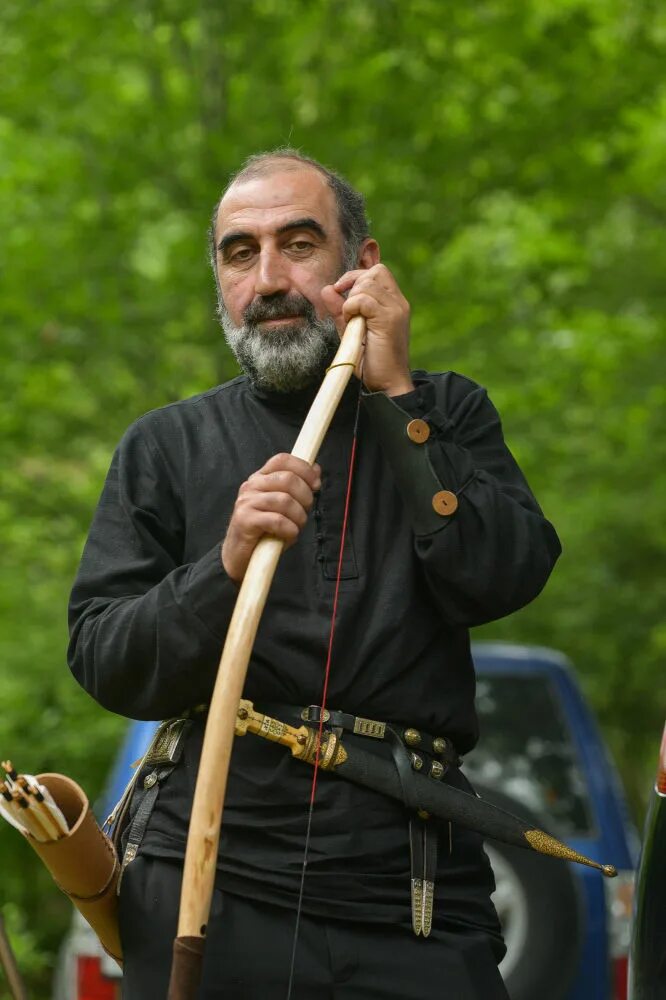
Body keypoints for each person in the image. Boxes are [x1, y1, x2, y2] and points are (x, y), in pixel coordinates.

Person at [68, 150, 561, 999]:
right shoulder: (165, 444)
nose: (268, 279)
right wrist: (222, 567)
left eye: (299, 244)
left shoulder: (445, 412)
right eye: (239, 253)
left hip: (416, 895)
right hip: (213, 884)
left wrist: (400, 400)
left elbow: (503, 574)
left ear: (362, 266)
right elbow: (105, 656)